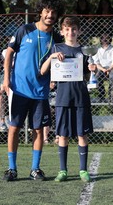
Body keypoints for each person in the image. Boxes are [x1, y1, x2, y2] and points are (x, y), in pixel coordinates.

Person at [2, 0, 65, 181]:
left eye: (54, 12)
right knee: (14, 128)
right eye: (47, 11)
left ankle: (35, 169)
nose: (50, 15)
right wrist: (6, 79)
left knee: (38, 130)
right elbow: (9, 55)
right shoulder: (24, 30)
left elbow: (61, 61)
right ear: (41, 12)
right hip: (19, 89)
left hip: (40, 92)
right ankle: (12, 169)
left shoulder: (57, 37)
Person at [40, 16, 93, 182]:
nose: (71, 32)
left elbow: (85, 76)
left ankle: (83, 170)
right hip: (63, 97)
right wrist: (52, 57)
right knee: (62, 134)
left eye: (74, 29)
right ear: (62, 31)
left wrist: (91, 70)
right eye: (67, 29)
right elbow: (42, 70)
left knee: (82, 134)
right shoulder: (56, 47)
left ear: (79, 31)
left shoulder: (84, 51)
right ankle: (62, 170)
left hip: (80, 97)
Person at [90, 33, 113, 103]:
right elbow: (96, 62)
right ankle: (101, 96)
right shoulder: (97, 49)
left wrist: (109, 69)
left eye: (107, 38)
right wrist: (103, 69)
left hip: (111, 68)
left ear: (110, 39)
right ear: (101, 40)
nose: (105, 40)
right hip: (101, 68)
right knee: (97, 75)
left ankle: (111, 96)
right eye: (103, 38)